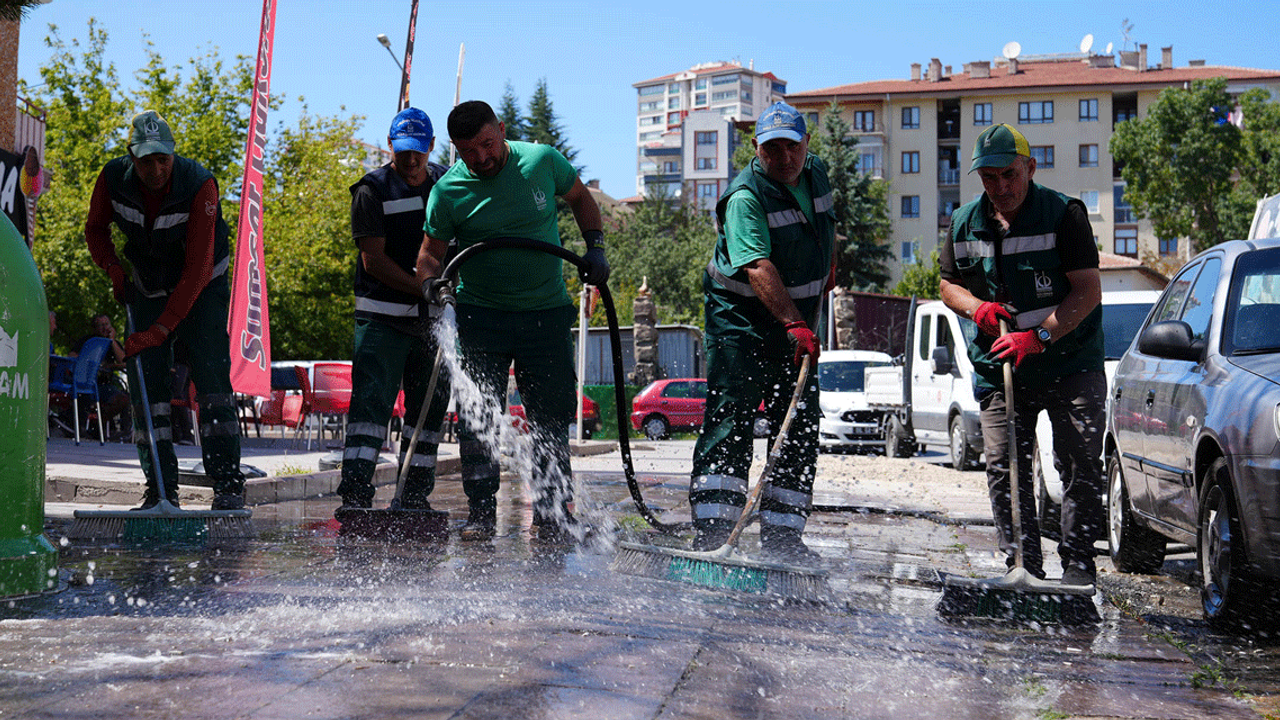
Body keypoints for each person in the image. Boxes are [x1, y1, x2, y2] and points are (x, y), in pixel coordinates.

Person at [416, 100, 609, 541]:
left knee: (549, 417)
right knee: (478, 414)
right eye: (469, 153)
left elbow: (581, 198)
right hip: (482, 316)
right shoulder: (448, 192)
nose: (481, 158)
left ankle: (552, 513)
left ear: (501, 129)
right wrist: (432, 284)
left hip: (545, 312)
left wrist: (594, 248)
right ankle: (481, 513)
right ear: (456, 151)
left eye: (487, 144)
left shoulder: (541, 161)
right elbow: (428, 256)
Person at [938, 123, 1106, 588]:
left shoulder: (1063, 215)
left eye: (1009, 174)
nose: (1001, 187)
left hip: (1070, 361)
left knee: (1079, 463)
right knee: (1003, 464)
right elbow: (948, 285)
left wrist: (1039, 338)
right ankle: (1022, 566)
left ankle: (1077, 567)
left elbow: (1088, 290)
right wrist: (977, 308)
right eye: (989, 178)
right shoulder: (963, 222)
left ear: (1030, 168)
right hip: (1002, 368)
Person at [688, 101, 834, 562]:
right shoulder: (746, 197)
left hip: (796, 322)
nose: (784, 157)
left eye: (792, 147)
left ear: (807, 145)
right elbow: (757, 265)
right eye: (772, 149)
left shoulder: (817, 176)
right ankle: (714, 533)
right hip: (742, 321)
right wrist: (794, 322)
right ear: (757, 149)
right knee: (733, 418)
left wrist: (829, 272)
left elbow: (826, 231)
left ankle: (784, 538)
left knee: (799, 422)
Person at [84, 110, 247, 510]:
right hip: (146, 284)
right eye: (146, 161)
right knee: (146, 385)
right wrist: (113, 269)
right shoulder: (111, 179)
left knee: (211, 377)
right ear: (131, 156)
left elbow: (198, 269)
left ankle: (227, 486)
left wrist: (160, 330)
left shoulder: (200, 185)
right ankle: (159, 487)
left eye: (163, 159)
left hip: (203, 285)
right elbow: (95, 229)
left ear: (173, 154)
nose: (156, 169)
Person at [335, 107, 452, 512]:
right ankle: (355, 497)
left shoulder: (446, 183)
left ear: (432, 146)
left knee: (429, 412)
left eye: (419, 151)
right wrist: (424, 288)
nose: (412, 160)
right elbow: (374, 262)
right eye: (404, 151)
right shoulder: (371, 191)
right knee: (370, 408)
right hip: (382, 318)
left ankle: (414, 498)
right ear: (390, 146)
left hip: (432, 322)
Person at [71, 313, 132, 441]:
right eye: (101, 325)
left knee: (124, 399)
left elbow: (124, 361)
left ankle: (107, 427)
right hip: (87, 383)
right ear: (95, 328)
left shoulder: (112, 343)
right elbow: (71, 356)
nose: (105, 328)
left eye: (107, 324)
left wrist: (112, 341)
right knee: (84, 396)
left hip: (106, 385)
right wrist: (89, 362)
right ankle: (82, 427)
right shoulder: (87, 341)